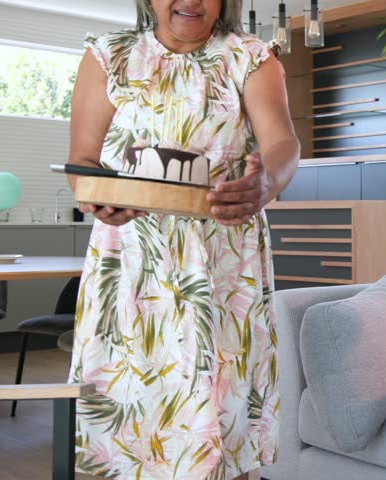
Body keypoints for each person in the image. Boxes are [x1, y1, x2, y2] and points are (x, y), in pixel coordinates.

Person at [65, 0, 299, 478]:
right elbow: (82, 159)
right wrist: (98, 193)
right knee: (127, 416)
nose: (191, 0)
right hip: (131, 264)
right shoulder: (108, 56)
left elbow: (283, 144)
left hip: (221, 268)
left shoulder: (251, 58)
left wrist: (267, 182)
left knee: (220, 415)